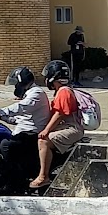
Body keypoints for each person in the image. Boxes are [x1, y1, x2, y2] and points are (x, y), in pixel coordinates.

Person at [30, 60, 84, 189]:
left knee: (43, 141)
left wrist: (47, 130)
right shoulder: (62, 91)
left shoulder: (64, 91)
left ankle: (43, 177)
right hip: (66, 126)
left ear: (54, 77)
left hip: (72, 128)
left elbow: (61, 114)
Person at [0, 67, 50, 185]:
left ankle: (16, 178)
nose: (15, 87)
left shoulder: (36, 93)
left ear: (22, 82)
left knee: (6, 145)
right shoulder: (30, 93)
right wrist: (1, 117)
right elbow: (22, 119)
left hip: (32, 133)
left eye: (16, 84)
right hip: (28, 130)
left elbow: (22, 107)